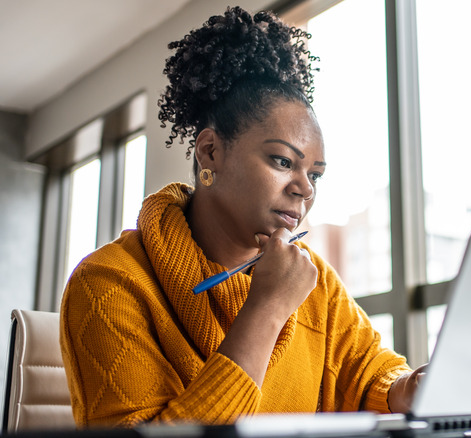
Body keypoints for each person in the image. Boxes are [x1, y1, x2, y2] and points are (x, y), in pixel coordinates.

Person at [60, 6, 425, 427]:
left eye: (316, 175)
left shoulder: (315, 281)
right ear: (210, 151)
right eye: (282, 161)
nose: (305, 188)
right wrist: (267, 308)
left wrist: (405, 388)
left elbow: (368, 374)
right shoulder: (108, 283)